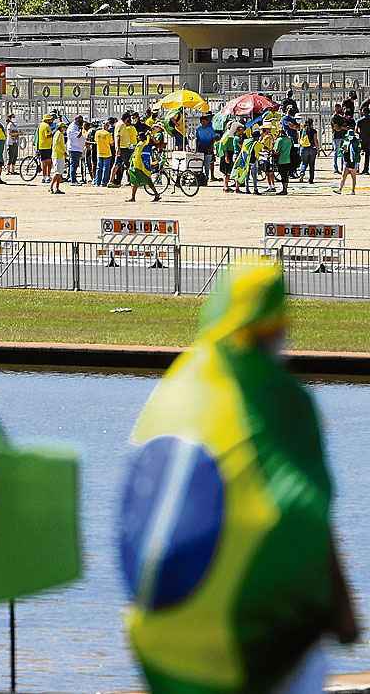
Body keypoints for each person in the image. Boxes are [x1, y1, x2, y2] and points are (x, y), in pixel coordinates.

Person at [119, 261, 359, 694]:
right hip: (257, 654)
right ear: (278, 327)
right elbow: (307, 511)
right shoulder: (284, 401)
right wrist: (343, 615)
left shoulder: (174, 390)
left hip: (158, 648)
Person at [126, 128, 163, 202]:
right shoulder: (140, 144)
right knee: (135, 181)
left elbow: (144, 155)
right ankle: (133, 197)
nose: (137, 137)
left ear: (141, 137)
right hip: (136, 165)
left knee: (145, 181)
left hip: (141, 166)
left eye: (138, 136)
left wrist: (148, 134)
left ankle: (156, 194)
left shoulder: (145, 144)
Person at [217, 121, 243, 192]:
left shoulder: (231, 135)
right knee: (227, 171)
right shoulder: (228, 135)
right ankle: (225, 186)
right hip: (227, 154)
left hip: (230, 153)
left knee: (230, 171)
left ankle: (227, 186)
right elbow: (224, 146)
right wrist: (226, 156)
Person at [109, 111, 133, 188]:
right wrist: (118, 148)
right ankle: (133, 181)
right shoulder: (122, 125)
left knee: (117, 165)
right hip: (123, 148)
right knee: (129, 165)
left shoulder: (118, 124)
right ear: (127, 118)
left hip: (122, 148)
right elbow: (118, 137)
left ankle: (111, 181)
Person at [334, 128, 361, 195]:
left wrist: (357, 161)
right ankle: (340, 189)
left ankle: (353, 190)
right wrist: (343, 150)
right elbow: (341, 150)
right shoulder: (346, 141)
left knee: (353, 177)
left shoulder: (357, 142)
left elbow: (358, 151)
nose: (350, 137)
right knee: (343, 176)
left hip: (353, 161)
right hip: (346, 160)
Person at [195, 114, 216, 184]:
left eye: (205, 121)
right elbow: (197, 139)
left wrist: (211, 148)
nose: (203, 123)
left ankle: (207, 177)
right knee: (199, 164)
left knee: (207, 165)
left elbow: (213, 139)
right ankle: (200, 178)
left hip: (208, 149)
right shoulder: (198, 129)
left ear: (207, 122)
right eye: (202, 121)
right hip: (200, 149)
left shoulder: (211, 129)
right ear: (200, 122)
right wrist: (196, 149)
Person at [298, 117, 320, 183]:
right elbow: (315, 140)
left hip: (304, 148)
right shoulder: (314, 131)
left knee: (304, 163)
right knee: (311, 165)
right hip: (312, 148)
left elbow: (299, 140)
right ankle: (311, 180)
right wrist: (318, 149)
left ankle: (302, 173)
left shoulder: (302, 130)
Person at [281, 106, 300, 176]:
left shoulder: (293, 119)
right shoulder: (285, 119)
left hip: (294, 139)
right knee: (291, 155)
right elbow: (292, 126)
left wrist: (295, 126)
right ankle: (291, 171)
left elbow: (298, 127)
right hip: (289, 139)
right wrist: (295, 126)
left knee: (295, 155)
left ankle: (293, 170)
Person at [66, 115, 85, 185]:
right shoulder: (72, 127)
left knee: (75, 165)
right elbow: (78, 136)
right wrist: (82, 129)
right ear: (77, 120)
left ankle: (72, 178)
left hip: (77, 148)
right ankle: (73, 180)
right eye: (81, 120)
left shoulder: (76, 126)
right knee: (74, 165)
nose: (82, 122)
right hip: (74, 149)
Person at [94, 120, 114, 186]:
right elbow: (111, 144)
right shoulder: (108, 134)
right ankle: (104, 182)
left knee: (99, 168)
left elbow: (96, 141)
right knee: (106, 168)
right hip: (107, 153)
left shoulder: (97, 133)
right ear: (107, 126)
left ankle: (97, 182)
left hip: (99, 152)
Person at [273, 127, 293, 195]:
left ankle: (284, 190)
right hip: (288, 159)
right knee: (286, 175)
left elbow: (276, 151)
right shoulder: (289, 139)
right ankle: (285, 189)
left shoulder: (279, 140)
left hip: (281, 160)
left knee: (282, 175)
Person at [37, 114, 55, 184]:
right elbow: (47, 135)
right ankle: (48, 176)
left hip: (41, 146)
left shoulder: (40, 125)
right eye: (50, 119)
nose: (51, 120)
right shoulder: (47, 126)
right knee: (48, 162)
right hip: (47, 146)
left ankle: (44, 177)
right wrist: (54, 132)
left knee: (43, 162)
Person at [49, 122, 67, 195]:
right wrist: (63, 152)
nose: (65, 129)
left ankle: (57, 188)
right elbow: (57, 145)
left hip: (60, 155)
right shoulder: (58, 134)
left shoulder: (60, 134)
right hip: (57, 155)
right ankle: (51, 187)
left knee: (59, 173)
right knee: (57, 173)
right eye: (64, 127)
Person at [260, 120, 276, 193]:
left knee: (267, 172)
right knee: (271, 172)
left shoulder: (266, 137)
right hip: (270, 155)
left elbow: (262, 145)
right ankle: (272, 186)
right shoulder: (271, 136)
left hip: (265, 155)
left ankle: (270, 186)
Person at [331, 104, 347, 174]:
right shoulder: (334, 117)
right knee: (336, 153)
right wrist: (343, 128)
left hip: (342, 136)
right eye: (337, 108)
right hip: (337, 137)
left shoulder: (341, 117)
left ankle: (342, 168)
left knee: (343, 153)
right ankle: (336, 168)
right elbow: (336, 128)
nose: (339, 109)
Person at [357, 105, 370, 174]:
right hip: (369, 139)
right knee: (367, 155)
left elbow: (356, 130)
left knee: (358, 154)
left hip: (362, 139)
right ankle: (366, 169)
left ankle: (358, 168)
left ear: (363, 112)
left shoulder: (360, 120)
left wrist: (360, 134)